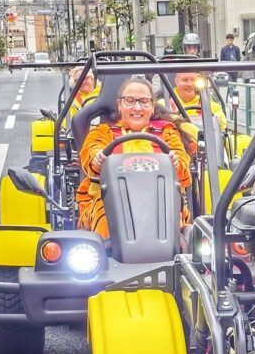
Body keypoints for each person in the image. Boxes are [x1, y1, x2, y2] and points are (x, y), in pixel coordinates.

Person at [76, 77, 191, 239]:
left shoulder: (167, 132)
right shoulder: (102, 132)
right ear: (119, 105)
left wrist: (176, 163)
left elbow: (182, 162)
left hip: (161, 200)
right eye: (130, 101)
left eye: (144, 101)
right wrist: (97, 159)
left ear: (151, 107)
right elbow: (92, 151)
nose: (137, 107)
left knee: (182, 227)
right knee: (105, 216)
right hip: (110, 202)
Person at [158, 71, 228, 132]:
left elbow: (222, 125)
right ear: (176, 81)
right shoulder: (163, 105)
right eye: (185, 80)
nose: (190, 84)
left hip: (205, 145)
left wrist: (216, 121)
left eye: (193, 80)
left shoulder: (211, 106)